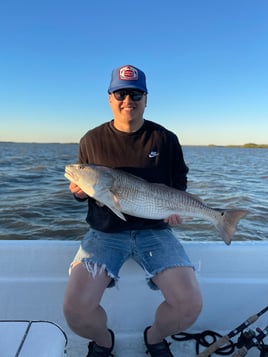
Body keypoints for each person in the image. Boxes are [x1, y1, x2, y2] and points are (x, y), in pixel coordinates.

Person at [63, 65, 202, 357]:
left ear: (146, 98)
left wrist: (174, 208)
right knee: (76, 311)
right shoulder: (91, 139)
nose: (129, 100)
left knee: (189, 305)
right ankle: (103, 341)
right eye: (121, 93)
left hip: (155, 230)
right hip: (105, 232)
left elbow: (179, 181)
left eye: (136, 93)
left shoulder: (165, 139)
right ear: (110, 97)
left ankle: (154, 337)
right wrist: (78, 190)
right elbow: (87, 189)